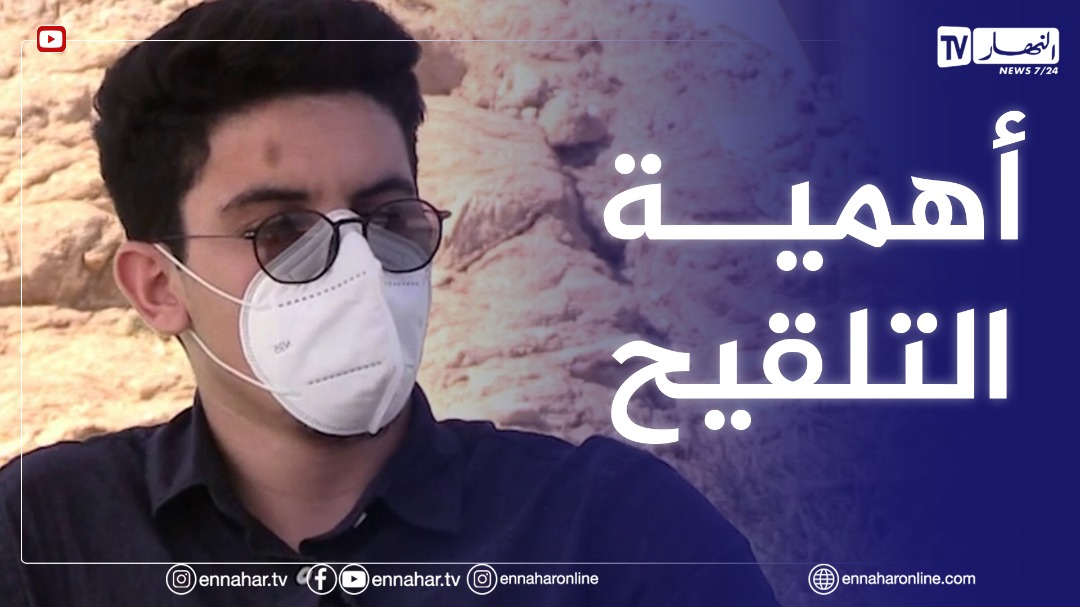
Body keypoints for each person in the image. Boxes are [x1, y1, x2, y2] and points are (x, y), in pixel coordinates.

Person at [0, 1, 780, 605]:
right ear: (159, 286)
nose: (359, 265)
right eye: (282, 231)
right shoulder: (44, 539)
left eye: (388, 218)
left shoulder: (616, 536)